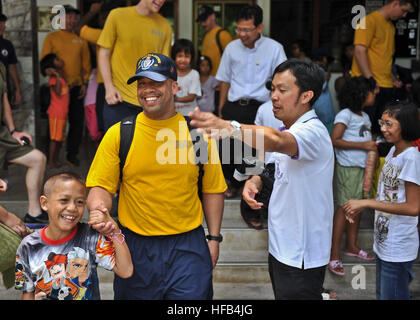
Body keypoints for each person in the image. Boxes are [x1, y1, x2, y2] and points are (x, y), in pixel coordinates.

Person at [189, 59, 334, 300]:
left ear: (307, 95)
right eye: (272, 89)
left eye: (283, 90)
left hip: (301, 255)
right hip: (282, 247)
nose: (274, 96)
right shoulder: (289, 129)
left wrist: (229, 127)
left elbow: (276, 141)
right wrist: (255, 181)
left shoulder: (312, 132)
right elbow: (274, 166)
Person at [86, 53, 226, 300]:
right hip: (135, 247)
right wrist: (99, 209)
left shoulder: (197, 135)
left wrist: (213, 238)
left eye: (156, 83)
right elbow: (100, 186)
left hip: (188, 248)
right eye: (142, 84)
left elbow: (212, 189)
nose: (147, 90)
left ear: (174, 86)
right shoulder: (119, 134)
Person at [14, 171, 133, 300]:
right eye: (64, 200)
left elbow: (125, 270)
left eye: (80, 202)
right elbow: (27, 292)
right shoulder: (28, 246)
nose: (72, 208)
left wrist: (114, 231)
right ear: (44, 203)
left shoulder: (91, 238)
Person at [343, 102, 420, 300]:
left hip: (399, 246)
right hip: (385, 241)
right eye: (382, 123)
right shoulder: (394, 151)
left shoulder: (411, 158)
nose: (383, 129)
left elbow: (413, 207)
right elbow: (390, 194)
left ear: (405, 125)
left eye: (389, 124)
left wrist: (367, 203)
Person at [216, 4, 287, 197]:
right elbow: (224, 80)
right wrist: (221, 108)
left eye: (247, 29)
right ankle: (231, 182)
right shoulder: (231, 48)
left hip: (261, 107)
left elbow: (283, 79)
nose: (242, 34)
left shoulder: (274, 49)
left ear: (259, 28)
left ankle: (252, 186)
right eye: (239, 29)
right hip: (234, 106)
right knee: (227, 147)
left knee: (257, 150)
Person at [328, 76, 378, 276]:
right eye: (370, 91)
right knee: (343, 208)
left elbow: (362, 137)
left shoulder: (364, 116)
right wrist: (363, 146)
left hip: (361, 169)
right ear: (359, 94)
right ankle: (333, 254)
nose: (374, 94)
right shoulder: (345, 115)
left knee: (356, 209)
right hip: (348, 169)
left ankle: (351, 246)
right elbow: (335, 140)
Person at [97, 0, 172, 130]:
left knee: (147, 150)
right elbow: (104, 52)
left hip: (150, 102)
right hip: (119, 100)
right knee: (118, 149)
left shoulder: (165, 26)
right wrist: (108, 87)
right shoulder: (117, 15)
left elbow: (164, 67)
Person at [351, 0, 416, 135]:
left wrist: (392, 78)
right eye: (404, 10)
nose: (404, 15)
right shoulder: (366, 21)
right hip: (369, 86)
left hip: (385, 86)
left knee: (380, 130)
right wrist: (370, 79)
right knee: (363, 130)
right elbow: (359, 51)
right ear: (396, 3)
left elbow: (383, 57)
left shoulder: (390, 26)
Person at [41, 5, 91, 166]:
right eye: (68, 17)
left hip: (76, 88)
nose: (72, 20)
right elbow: (45, 63)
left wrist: (84, 82)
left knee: (77, 122)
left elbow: (86, 65)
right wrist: (54, 75)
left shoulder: (81, 40)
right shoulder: (52, 38)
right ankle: (50, 157)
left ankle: (72, 156)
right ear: (60, 19)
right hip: (58, 90)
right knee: (56, 124)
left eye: (74, 17)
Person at [0, 61, 47, 224]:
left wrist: (13, 131)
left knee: (37, 159)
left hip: (3, 135)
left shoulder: (1, 65)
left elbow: (4, 99)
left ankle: (34, 213)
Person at [40, 53, 69, 169]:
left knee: (60, 139)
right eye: (57, 59)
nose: (60, 60)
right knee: (54, 139)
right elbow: (57, 91)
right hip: (56, 113)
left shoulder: (60, 76)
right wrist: (56, 75)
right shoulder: (54, 78)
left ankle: (55, 160)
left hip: (62, 113)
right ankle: (50, 162)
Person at [171, 39, 202, 116]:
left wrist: (175, 99)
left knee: (185, 128)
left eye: (187, 56)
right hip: (173, 115)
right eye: (179, 56)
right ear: (174, 56)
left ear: (192, 58)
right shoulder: (170, 74)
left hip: (189, 115)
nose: (183, 60)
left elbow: (191, 97)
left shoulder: (194, 74)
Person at [0, 14, 21, 108]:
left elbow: (12, 68)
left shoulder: (7, 44)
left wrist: (17, 89)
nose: (3, 26)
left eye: (3, 23)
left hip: (4, 90)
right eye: (0, 23)